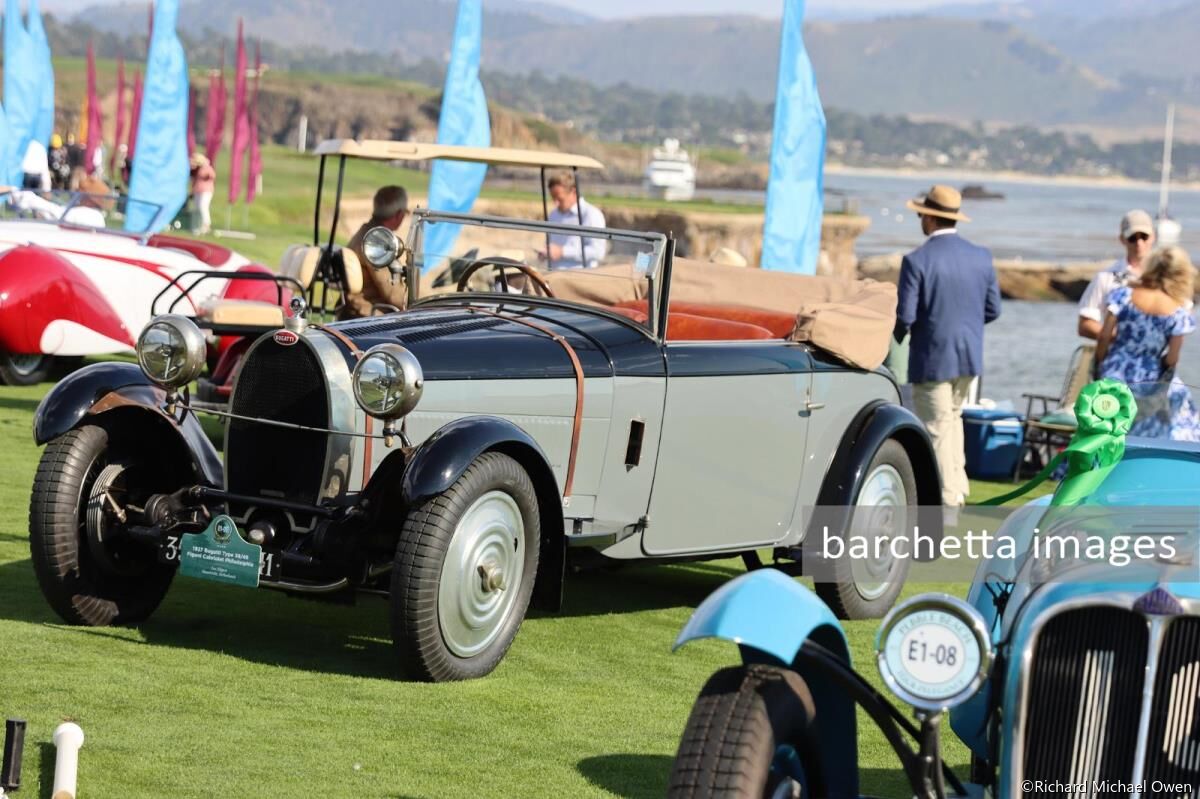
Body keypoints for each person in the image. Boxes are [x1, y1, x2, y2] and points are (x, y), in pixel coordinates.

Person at [894, 185, 1001, 507]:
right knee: (952, 421)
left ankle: (947, 501)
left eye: (920, 215)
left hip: (932, 358)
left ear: (929, 218)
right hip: (969, 356)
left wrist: (896, 335)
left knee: (937, 428)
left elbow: (905, 316)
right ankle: (959, 488)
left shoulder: (917, 260)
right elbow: (993, 309)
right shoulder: (981, 256)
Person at [1096, 246, 1200, 441]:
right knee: (1180, 402)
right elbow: (1172, 359)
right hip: (1149, 376)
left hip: (1115, 371)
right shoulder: (1178, 312)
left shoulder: (1123, 295)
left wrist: (1100, 366)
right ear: (1180, 275)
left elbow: (1104, 336)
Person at [1077, 209, 1156, 339]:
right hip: (1117, 349)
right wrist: (1121, 338)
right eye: (1132, 238)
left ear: (1153, 237)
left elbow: (1182, 319)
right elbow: (1085, 325)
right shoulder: (1106, 277)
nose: (1139, 243)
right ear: (1122, 239)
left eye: (1144, 236)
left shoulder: (1166, 277)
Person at [338, 185, 409, 320]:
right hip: (367, 313)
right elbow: (395, 296)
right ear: (399, 214)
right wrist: (419, 304)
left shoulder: (366, 233)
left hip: (355, 308)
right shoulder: (377, 242)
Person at [542, 171, 607, 270]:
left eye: (560, 199)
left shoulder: (591, 214)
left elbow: (598, 252)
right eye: (553, 198)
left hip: (580, 276)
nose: (555, 203)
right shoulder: (553, 214)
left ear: (574, 192)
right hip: (553, 274)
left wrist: (563, 252)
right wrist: (546, 252)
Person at [1, 175, 110, 228]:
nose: (76, 196)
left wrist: (13, 191)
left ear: (90, 200)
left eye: (81, 194)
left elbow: (54, 212)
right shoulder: (93, 215)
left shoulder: (89, 216)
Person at [190, 153, 216, 235]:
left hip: (206, 191)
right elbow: (193, 179)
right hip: (197, 190)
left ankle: (206, 225)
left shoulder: (207, 168)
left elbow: (210, 176)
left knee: (203, 207)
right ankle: (197, 225)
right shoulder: (196, 169)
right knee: (197, 208)